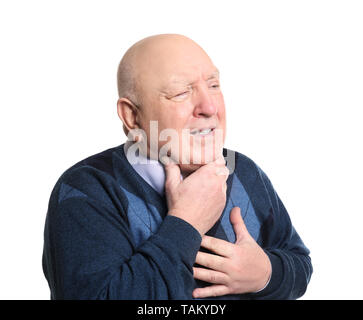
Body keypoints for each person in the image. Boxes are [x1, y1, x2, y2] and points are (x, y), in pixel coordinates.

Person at [42, 34, 312, 300]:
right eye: (181, 93)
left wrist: (266, 274)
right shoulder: (87, 189)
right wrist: (186, 223)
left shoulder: (245, 171)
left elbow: (299, 263)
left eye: (214, 85)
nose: (209, 106)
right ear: (132, 116)